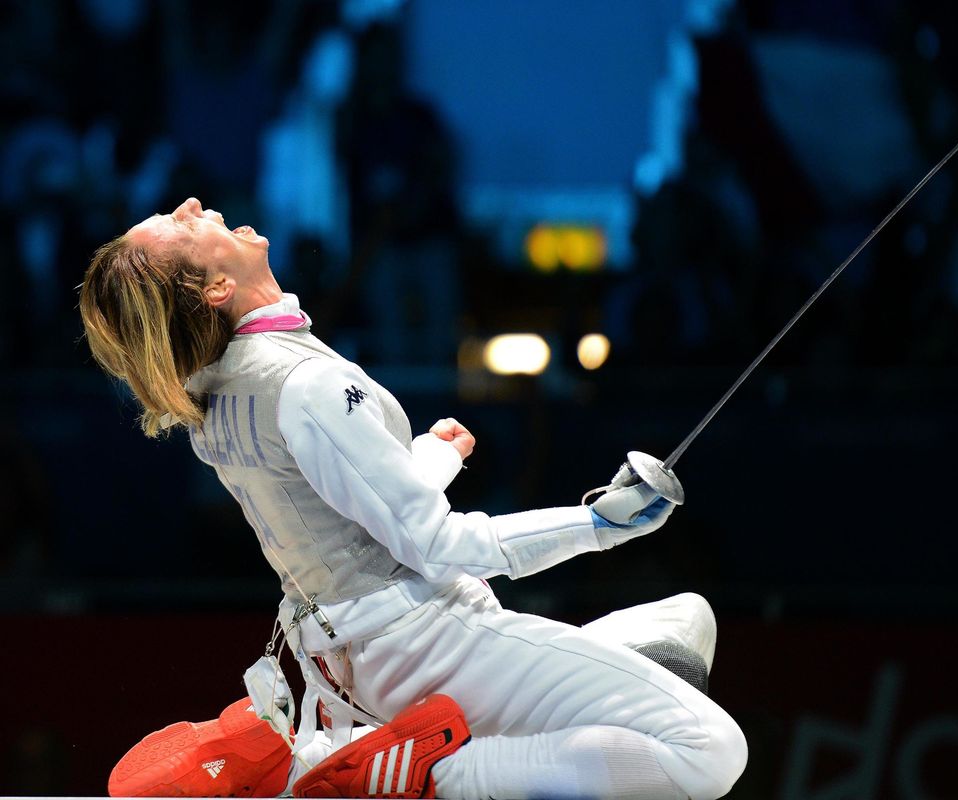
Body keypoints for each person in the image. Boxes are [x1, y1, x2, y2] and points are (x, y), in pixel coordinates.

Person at [79, 198, 747, 799]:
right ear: (218, 286)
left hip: (355, 662)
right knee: (710, 750)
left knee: (683, 629)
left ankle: (378, 752)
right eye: (181, 224)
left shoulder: (219, 394)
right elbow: (435, 543)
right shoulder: (301, 382)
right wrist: (599, 524)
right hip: (429, 643)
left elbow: (344, 510)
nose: (195, 204)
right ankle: (438, 775)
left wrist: (426, 460)